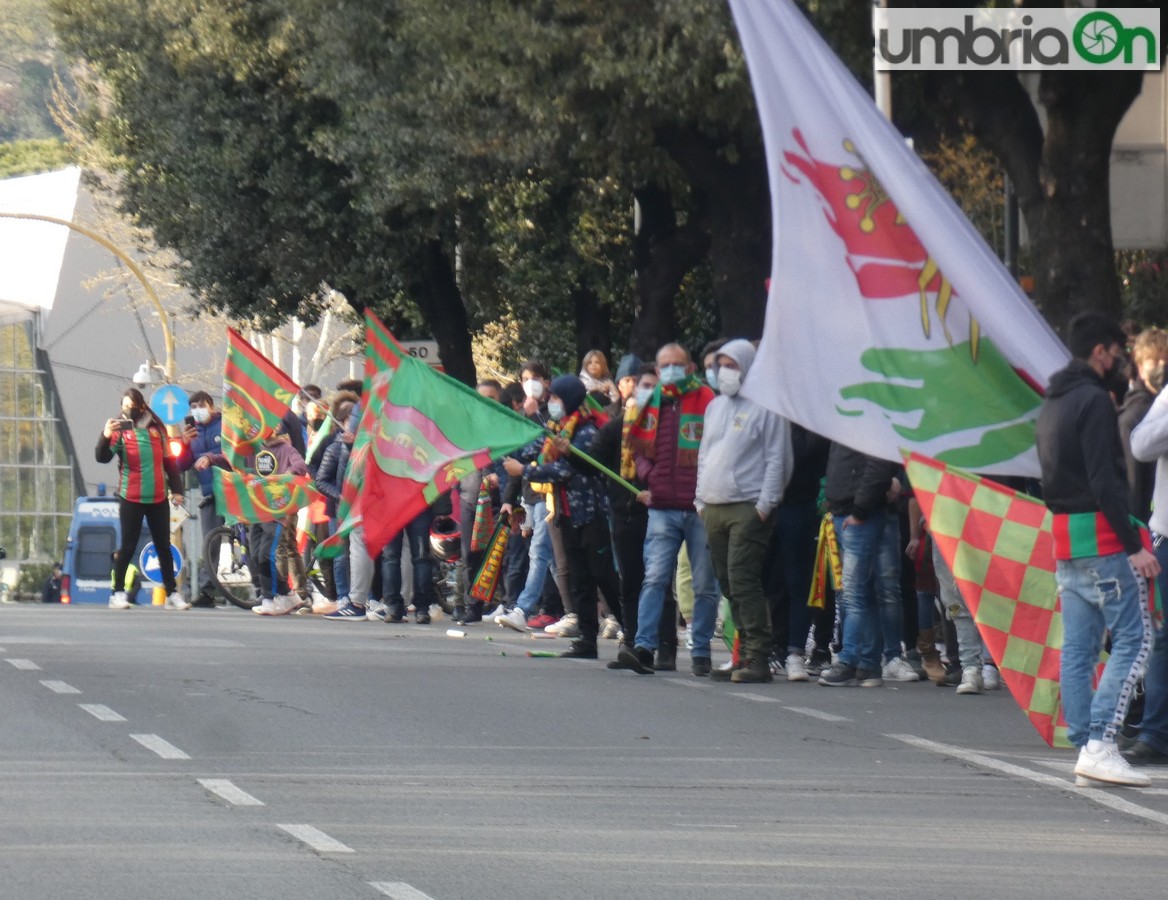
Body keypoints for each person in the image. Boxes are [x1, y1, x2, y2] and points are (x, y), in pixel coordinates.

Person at [1037, 311, 1157, 788]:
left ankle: (1085, 738)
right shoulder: (1092, 400)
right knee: (1136, 638)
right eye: (1116, 349)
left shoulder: (1053, 401)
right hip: (1103, 536)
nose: (1119, 359)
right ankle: (1102, 743)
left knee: (1079, 647)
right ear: (1101, 351)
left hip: (1066, 536)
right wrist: (1134, 546)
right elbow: (1105, 480)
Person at [615, 342, 718, 676]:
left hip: (700, 506)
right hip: (662, 506)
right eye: (665, 365)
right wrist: (650, 477)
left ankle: (701, 651)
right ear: (658, 371)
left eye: (678, 364)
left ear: (689, 368)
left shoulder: (707, 400)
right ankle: (644, 646)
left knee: (704, 584)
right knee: (655, 578)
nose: (671, 370)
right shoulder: (651, 401)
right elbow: (638, 448)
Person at [696, 339, 792, 683]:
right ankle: (743, 653)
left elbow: (777, 460)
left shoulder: (767, 407)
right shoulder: (715, 407)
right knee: (727, 581)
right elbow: (705, 455)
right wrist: (700, 501)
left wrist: (764, 506)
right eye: (721, 365)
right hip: (713, 506)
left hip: (747, 507)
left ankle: (758, 657)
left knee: (743, 578)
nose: (724, 372)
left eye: (732, 364)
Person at [96, 387, 189, 610]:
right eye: (125, 407)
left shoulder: (157, 430)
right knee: (127, 547)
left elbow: (170, 464)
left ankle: (171, 594)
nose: (128, 410)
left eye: (132, 406)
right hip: (131, 497)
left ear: (142, 406)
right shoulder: (119, 431)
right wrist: (106, 434)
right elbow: (102, 457)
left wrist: (177, 490)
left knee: (163, 547)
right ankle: (116, 593)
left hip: (157, 497)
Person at [817, 442, 898, 687]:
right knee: (863, 591)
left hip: (858, 514)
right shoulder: (848, 420)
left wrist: (860, 510)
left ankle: (849, 659)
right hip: (846, 511)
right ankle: (869, 663)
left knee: (851, 593)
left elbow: (879, 466)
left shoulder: (863, 420)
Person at [176, 390, 224, 607]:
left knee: (249, 540)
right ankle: (207, 592)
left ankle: (263, 588)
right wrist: (184, 443)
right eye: (193, 407)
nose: (197, 410)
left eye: (201, 405)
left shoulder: (225, 424)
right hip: (209, 493)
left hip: (233, 490)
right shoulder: (192, 433)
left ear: (211, 405)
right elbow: (181, 465)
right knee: (210, 542)